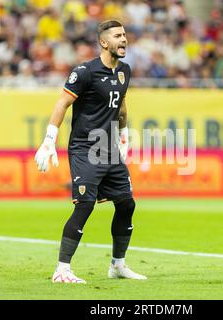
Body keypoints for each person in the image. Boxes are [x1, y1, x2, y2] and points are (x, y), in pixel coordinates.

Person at [34, 20, 147, 284]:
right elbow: (62, 103)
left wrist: (124, 134)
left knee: (127, 203)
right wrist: (49, 139)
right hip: (85, 148)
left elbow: (122, 104)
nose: (124, 39)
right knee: (85, 205)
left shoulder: (124, 71)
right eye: (118, 36)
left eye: (125, 35)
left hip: (109, 148)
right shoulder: (84, 72)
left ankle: (117, 265)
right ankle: (62, 269)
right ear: (104, 42)